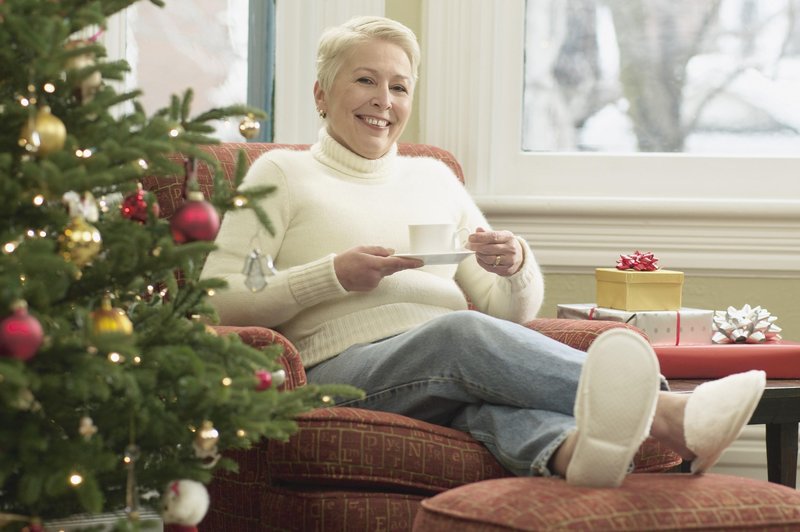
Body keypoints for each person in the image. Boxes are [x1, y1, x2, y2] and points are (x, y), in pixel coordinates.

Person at [201, 15, 766, 487]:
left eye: (399, 87)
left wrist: (515, 267)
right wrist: (333, 276)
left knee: (479, 397)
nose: (383, 101)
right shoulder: (281, 173)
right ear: (322, 93)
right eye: (365, 81)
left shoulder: (433, 179)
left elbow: (505, 315)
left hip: (443, 372)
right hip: (337, 373)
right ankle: (671, 415)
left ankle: (574, 455)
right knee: (460, 336)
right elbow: (216, 302)